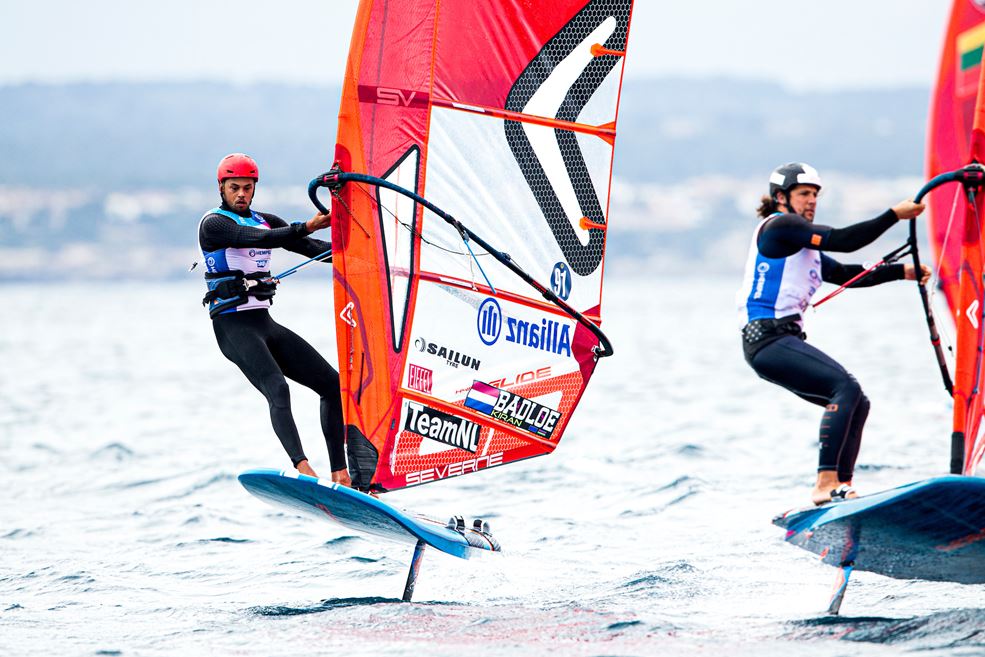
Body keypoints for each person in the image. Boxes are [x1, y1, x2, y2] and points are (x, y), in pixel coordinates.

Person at [736, 162, 929, 505]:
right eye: (804, 194)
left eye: (815, 195)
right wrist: (893, 215)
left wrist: (904, 271)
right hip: (766, 339)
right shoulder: (782, 226)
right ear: (781, 197)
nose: (812, 201)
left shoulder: (802, 247)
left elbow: (846, 273)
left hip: (781, 341)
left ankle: (840, 487)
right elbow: (844, 241)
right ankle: (824, 484)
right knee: (845, 388)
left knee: (858, 401)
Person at [199, 153, 349, 485]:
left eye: (247, 188)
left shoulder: (265, 219)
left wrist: (357, 248)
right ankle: (303, 470)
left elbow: (312, 248)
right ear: (221, 188)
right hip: (233, 327)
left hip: (264, 323)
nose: (241, 194)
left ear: (255, 189)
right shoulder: (215, 224)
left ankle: (341, 474)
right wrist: (304, 225)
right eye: (234, 187)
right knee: (277, 388)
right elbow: (259, 240)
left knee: (332, 385)